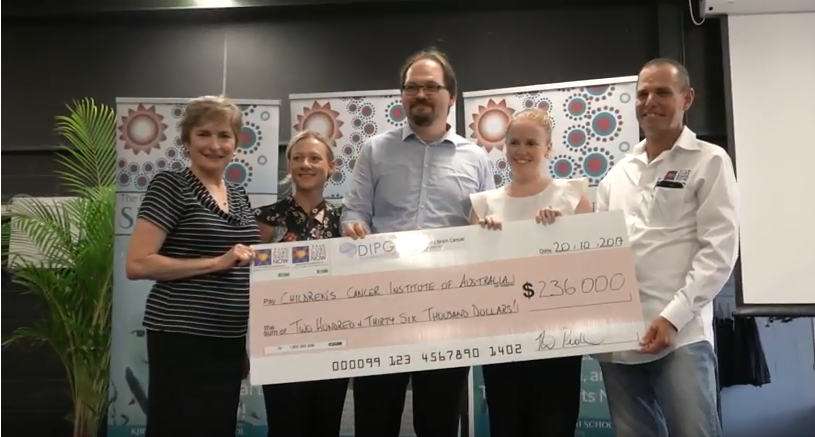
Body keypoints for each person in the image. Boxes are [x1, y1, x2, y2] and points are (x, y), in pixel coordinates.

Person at [341, 48, 495, 437]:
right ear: (402, 95)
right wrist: (353, 226)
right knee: (375, 417)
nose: (420, 95)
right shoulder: (375, 150)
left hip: (448, 310)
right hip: (380, 307)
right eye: (411, 87)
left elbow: (487, 224)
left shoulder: (476, 158)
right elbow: (354, 211)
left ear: (451, 96)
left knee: (438, 420)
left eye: (430, 86)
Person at [595, 58, 739, 437]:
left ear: (687, 99)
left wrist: (673, 317)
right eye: (642, 93)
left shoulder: (709, 161)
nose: (650, 101)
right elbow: (597, 256)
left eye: (662, 92)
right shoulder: (616, 175)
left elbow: (719, 251)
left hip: (681, 338)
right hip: (620, 343)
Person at [125, 95, 261, 437]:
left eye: (224, 135)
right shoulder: (171, 186)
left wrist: (243, 343)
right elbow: (138, 264)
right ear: (187, 140)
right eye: (204, 134)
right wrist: (217, 262)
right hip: (182, 338)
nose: (214, 145)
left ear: (236, 144)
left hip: (228, 341)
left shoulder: (239, 194)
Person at [469, 108, 592, 437]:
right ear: (504, 146)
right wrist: (482, 240)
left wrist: (563, 234)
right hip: (502, 341)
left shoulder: (572, 198)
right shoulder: (483, 205)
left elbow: (592, 268)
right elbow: (470, 277)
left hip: (558, 341)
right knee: (506, 426)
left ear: (548, 147)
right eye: (514, 142)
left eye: (531, 143)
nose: (521, 150)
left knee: (555, 426)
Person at [254, 130, 349, 437]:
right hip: (280, 345)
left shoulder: (346, 222)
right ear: (289, 166)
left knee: (327, 426)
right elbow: (247, 281)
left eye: (314, 158)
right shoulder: (265, 219)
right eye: (298, 158)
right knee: (285, 427)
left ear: (331, 167)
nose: (305, 164)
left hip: (332, 345)